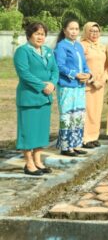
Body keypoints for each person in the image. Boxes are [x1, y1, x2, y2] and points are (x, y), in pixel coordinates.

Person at [13, 22, 58, 175]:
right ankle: (29, 163)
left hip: (45, 98)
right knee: (28, 131)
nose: (40, 37)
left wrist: (52, 83)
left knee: (40, 131)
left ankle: (38, 160)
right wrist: (42, 86)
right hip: (29, 97)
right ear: (29, 35)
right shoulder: (22, 51)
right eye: (37, 33)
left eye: (43, 34)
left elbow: (55, 70)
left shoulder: (47, 51)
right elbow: (24, 74)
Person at [54, 19, 92, 156]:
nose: (74, 31)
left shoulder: (79, 46)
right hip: (67, 86)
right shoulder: (61, 46)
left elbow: (85, 64)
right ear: (64, 30)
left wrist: (88, 74)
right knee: (67, 115)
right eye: (71, 29)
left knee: (78, 115)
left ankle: (75, 144)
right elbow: (59, 66)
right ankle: (65, 147)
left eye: (76, 29)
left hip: (80, 86)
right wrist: (75, 74)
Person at [80, 22, 108, 148]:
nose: (94, 34)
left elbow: (107, 66)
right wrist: (91, 80)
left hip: (100, 85)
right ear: (86, 32)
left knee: (97, 111)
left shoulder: (102, 47)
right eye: (91, 31)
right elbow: (79, 66)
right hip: (88, 84)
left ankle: (94, 136)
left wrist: (102, 80)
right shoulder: (81, 46)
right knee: (87, 111)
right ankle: (85, 138)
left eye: (97, 31)